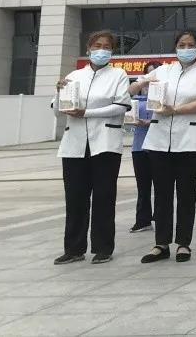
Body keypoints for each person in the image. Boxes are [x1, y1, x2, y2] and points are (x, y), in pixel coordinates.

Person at [135, 30, 196, 263]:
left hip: (188, 139)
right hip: (159, 139)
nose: (186, 48)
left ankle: (183, 243)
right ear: (175, 47)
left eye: (190, 45)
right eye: (182, 44)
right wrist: (138, 84)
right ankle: (161, 244)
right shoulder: (163, 70)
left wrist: (176, 110)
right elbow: (137, 86)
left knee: (186, 193)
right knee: (162, 193)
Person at [53, 30, 131, 265]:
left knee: (104, 197)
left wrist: (87, 112)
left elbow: (120, 106)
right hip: (75, 144)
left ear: (112, 51)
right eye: (97, 46)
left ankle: (103, 247)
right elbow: (58, 110)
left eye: (106, 47)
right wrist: (59, 91)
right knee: (75, 197)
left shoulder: (118, 75)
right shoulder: (75, 75)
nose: (101, 50)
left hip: (105, 144)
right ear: (88, 49)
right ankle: (74, 248)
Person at [128, 62, 159, 233]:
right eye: (148, 74)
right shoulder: (136, 99)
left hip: (158, 145)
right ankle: (143, 219)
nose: (150, 79)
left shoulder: (163, 98)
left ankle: (160, 217)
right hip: (139, 146)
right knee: (143, 186)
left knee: (161, 185)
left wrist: (149, 122)